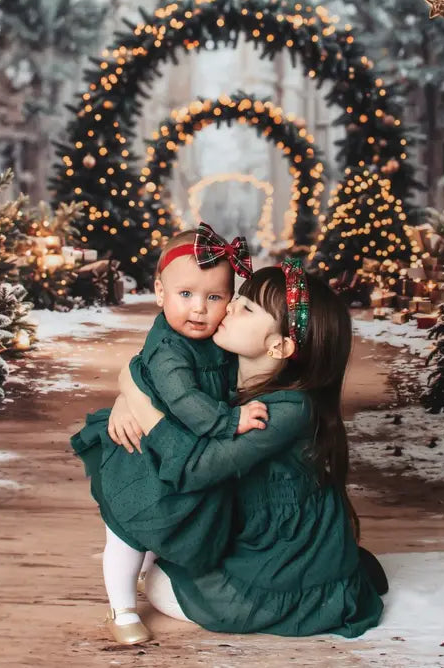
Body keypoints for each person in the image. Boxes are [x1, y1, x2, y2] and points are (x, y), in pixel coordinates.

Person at [108, 260, 385, 639]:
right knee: (162, 545)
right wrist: (130, 397)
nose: (229, 308)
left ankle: (320, 586)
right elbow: (169, 384)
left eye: (247, 308)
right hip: (249, 534)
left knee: (157, 583)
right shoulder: (227, 367)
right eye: (236, 298)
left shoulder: (287, 409)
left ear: (278, 345)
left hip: (273, 566)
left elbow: (195, 469)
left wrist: (133, 392)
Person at [70, 225, 269, 645]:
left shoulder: (216, 336)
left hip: (183, 456)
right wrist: (230, 422)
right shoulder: (168, 349)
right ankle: (121, 607)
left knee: (174, 522)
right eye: (185, 295)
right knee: (130, 529)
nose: (199, 309)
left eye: (214, 297)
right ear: (160, 293)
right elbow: (185, 401)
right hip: (144, 455)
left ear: (229, 302)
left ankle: (148, 571)